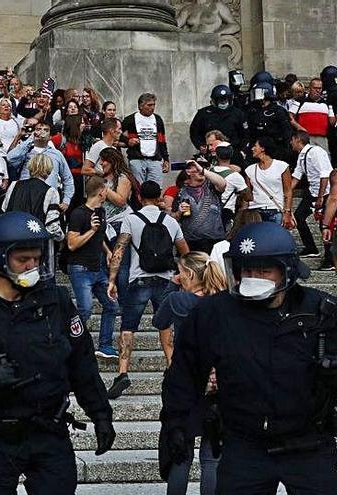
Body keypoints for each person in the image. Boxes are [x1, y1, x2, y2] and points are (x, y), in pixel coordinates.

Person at [0, 211, 115, 494]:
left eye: (37, 259)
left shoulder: (57, 301)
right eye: (22, 260)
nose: (32, 266)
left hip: (50, 431)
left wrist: (100, 414)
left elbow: (82, 362)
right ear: (0, 258)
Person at [161, 221, 337, 495]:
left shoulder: (322, 312)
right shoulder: (213, 314)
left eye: (264, 270)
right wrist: (176, 423)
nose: (253, 277)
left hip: (310, 444)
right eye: (247, 270)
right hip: (244, 444)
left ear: (286, 271)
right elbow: (184, 372)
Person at [107, 181, 189, 399]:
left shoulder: (131, 219)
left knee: (128, 327)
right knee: (166, 326)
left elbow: (120, 250)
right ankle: (173, 368)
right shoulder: (170, 221)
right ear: (160, 197)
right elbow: (185, 252)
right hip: (165, 279)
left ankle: (123, 373)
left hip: (139, 279)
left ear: (140, 197)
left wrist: (112, 280)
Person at [154, 251, 226, 495]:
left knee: (180, 454)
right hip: (217, 382)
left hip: (183, 382)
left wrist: (171, 287)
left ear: (190, 275)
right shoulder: (223, 302)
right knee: (211, 457)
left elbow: (159, 321)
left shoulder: (178, 300)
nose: (178, 276)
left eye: (181, 272)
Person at [66, 177, 120, 359]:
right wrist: (91, 231)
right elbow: (72, 244)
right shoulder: (78, 214)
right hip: (81, 268)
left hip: (97, 269)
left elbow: (101, 235)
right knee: (85, 309)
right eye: (106, 189)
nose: (107, 192)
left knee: (112, 305)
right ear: (100, 192)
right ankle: (71, 344)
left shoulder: (101, 211)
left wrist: (107, 251)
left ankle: (105, 345)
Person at [290, 131, 333, 269]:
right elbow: (296, 176)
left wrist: (321, 197)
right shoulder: (302, 156)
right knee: (298, 217)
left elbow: (325, 174)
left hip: (325, 193)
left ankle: (329, 259)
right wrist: (286, 192)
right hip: (312, 191)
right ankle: (311, 247)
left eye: (292, 140)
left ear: (298, 140)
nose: (291, 143)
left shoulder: (316, 152)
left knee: (325, 226)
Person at [2, 153, 64, 241]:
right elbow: (52, 226)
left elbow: (5, 209)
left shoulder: (14, 185)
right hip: (35, 242)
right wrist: (61, 238)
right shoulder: (51, 192)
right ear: (49, 170)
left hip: (12, 237)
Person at [171, 160, 228, 254]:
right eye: (196, 170)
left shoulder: (211, 186)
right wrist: (179, 212)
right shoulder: (182, 192)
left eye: (201, 169)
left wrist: (203, 170)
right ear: (188, 174)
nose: (200, 171)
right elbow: (173, 217)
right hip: (191, 242)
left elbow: (222, 183)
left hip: (215, 240)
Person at [246, 136, 295, 229]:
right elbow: (248, 195)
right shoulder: (250, 170)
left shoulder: (282, 166)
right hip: (255, 211)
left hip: (275, 210)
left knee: (275, 241)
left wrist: (287, 212)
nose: (252, 149)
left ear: (263, 148)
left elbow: (288, 191)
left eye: (255, 146)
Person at [122, 93, 170, 186]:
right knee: (138, 188)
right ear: (141, 106)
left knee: (155, 188)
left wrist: (166, 159)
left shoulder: (157, 119)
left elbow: (162, 140)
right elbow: (117, 134)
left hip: (155, 159)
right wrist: (128, 141)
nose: (152, 108)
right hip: (137, 158)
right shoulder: (130, 119)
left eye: (154, 105)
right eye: (149, 105)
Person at [189, 85, 248, 154]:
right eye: (221, 100)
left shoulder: (238, 114)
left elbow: (245, 134)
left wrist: (241, 150)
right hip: (210, 152)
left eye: (226, 99)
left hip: (233, 151)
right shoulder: (203, 114)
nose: (223, 102)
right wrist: (200, 145)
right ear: (214, 101)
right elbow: (194, 132)